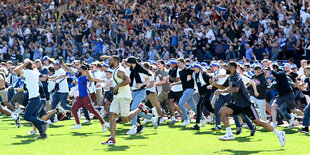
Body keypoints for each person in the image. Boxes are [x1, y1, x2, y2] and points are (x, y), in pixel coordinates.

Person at [211, 61, 286, 147]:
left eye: (227, 67)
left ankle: (279, 133)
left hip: (246, 104)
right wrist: (214, 83)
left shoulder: (237, 77)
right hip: (237, 104)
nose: (225, 69)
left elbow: (236, 89)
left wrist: (222, 91)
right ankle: (229, 133)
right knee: (222, 112)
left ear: (232, 69)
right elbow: (223, 86)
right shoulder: (230, 77)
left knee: (258, 122)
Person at [100, 55, 149, 145]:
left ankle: (139, 108)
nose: (108, 62)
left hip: (124, 97)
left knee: (125, 120)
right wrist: (106, 57)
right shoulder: (116, 69)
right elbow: (115, 58)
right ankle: (112, 139)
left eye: (110, 61)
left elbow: (128, 80)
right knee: (112, 116)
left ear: (115, 62)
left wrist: (117, 86)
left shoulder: (120, 70)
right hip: (117, 97)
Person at [60, 59, 108, 131]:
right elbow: (70, 70)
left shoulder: (85, 76)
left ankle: (103, 123)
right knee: (73, 109)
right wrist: (63, 65)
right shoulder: (78, 75)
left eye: (79, 69)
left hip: (85, 97)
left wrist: (88, 73)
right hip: (80, 97)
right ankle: (78, 124)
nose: (77, 69)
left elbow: (91, 79)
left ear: (83, 70)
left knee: (93, 111)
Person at [14, 59, 49, 139]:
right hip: (36, 98)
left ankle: (43, 122)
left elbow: (16, 70)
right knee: (33, 117)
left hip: (34, 98)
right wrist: (29, 64)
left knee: (26, 116)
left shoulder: (28, 72)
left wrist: (23, 64)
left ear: (25, 67)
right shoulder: (35, 72)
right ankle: (43, 134)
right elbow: (35, 67)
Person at [125, 57, 157, 135]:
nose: (127, 64)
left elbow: (149, 79)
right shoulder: (128, 70)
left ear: (132, 63)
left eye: (128, 63)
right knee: (134, 110)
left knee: (133, 109)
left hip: (141, 92)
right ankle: (151, 117)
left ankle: (134, 127)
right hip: (132, 92)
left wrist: (142, 84)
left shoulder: (141, 70)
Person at [170, 58, 206, 127]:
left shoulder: (188, 69)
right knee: (193, 107)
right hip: (186, 90)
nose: (178, 65)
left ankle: (186, 119)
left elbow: (197, 69)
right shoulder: (181, 72)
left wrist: (203, 69)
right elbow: (182, 81)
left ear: (183, 63)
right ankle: (203, 118)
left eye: (179, 63)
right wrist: (174, 84)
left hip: (190, 89)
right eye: (177, 63)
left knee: (180, 103)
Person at [191, 63, 213, 130]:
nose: (193, 69)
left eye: (195, 68)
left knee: (199, 106)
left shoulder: (204, 74)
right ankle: (221, 113)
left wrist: (211, 85)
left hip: (206, 92)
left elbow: (211, 79)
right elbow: (198, 84)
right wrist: (199, 92)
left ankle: (197, 124)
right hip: (202, 93)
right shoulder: (196, 74)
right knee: (209, 108)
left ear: (198, 68)